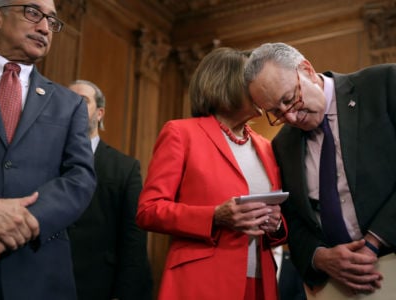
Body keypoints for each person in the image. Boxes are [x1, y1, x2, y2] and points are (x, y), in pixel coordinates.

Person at [245, 42, 396, 297]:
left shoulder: (383, 85)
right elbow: (292, 218)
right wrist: (320, 257)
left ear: (306, 69)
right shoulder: (283, 144)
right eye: (276, 112)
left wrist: (373, 242)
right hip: (338, 288)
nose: (290, 118)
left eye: (289, 99)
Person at [136, 47, 288, 300]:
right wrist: (214, 216)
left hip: (261, 283)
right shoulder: (181, 133)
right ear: (227, 83)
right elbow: (148, 211)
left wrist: (276, 224)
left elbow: (280, 216)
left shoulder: (266, 146)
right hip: (201, 281)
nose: (262, 87)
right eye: (252, 79)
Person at [0, 0, 96, 299]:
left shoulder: (70, 104)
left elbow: (80, 178)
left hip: (38, 273)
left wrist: (23, 222)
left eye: (52, 22)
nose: (44, 28)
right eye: (33, 13)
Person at [68, 80, 153, 300]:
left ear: (99, 113)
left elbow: (133, 240)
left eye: (83, 100)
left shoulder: (124, 167)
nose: (73, 105)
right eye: (68, 100)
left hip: (99, 287)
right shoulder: (45, 158)